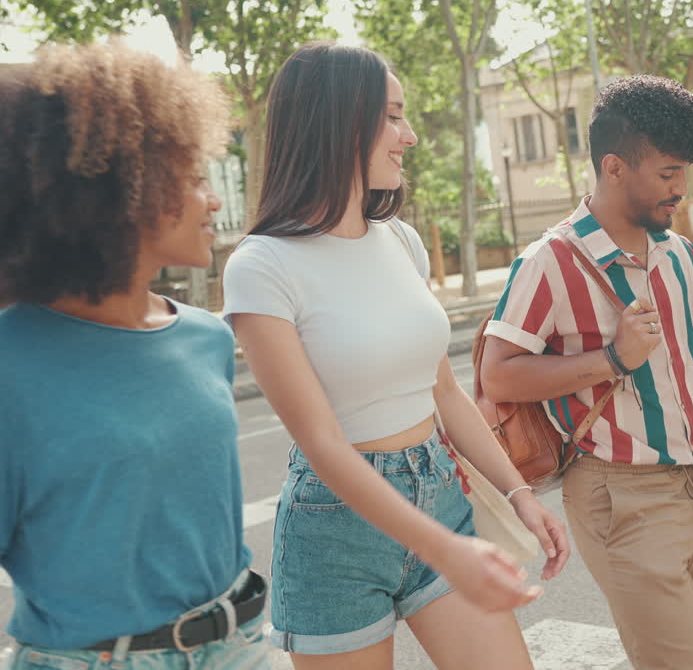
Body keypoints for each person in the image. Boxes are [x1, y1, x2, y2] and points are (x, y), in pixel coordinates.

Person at [221, 42, 569, 670]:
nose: (408, 136)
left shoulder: (403, 242)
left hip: (438, 488)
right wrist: (444, 547)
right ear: (338, 121)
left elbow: (444, 392)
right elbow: (324, 446)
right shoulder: (261, 266)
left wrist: (519, 493)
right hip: (335, 530)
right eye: (392, 116)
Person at [479, 74, 693, 670]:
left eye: (685, 173)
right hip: (621, 496)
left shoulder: (677, 253)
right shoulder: (550, 263)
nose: (683, 190)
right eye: (668, 174)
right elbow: (498, 376)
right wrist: (612, 360)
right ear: (614, 167)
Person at [0, 42, 269, 668]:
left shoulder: (208, 337)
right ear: (117, 188)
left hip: (239, 645)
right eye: (193, 176)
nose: (213, 201)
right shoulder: (11, 366)